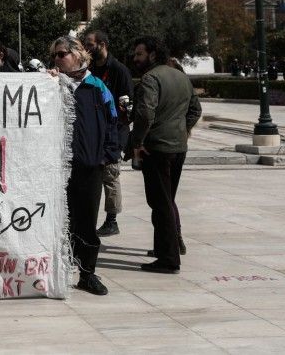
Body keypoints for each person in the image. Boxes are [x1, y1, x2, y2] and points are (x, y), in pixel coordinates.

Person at [49, 36, 118, 296]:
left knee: (87, 223)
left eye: (62, 53)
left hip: (90, 168)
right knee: (58, 223)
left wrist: (107, 155)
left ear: (79, 54)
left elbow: (114, 123)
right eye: (55, 55)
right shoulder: (51, 85)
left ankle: (87, 274)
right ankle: (58, 271)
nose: (57, 58)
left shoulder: (97, 87)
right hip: (58, 170)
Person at [129, 36, 202, 274]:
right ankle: (164, 251)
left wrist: (137, 141)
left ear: (152, 54)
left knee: (160, 203)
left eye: (139, 54)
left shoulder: (151, 78)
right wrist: (183, 130)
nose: (135, 58)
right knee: (166, 201)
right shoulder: (181, 77)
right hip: (178, 148)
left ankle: (169, 258)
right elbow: (195, 110)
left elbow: (145, 114)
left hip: (156, 148)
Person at [83, 30, 134, 238]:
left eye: (90, 44)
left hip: (114, 130)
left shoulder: (119, 70)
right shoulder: (91, 69)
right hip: (95, 129)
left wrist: (118, 129)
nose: (87, 48)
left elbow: (128, 103)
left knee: (111, 175)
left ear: (102, 44)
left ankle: (112, 220)